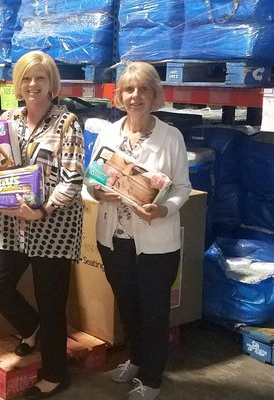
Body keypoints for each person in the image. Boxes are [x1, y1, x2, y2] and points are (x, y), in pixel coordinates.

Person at [0, 50, 84, 399]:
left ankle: (55, 374)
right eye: (27, 78)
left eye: (40, 79)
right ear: (18, 84)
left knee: (52, 303)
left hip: (53, 226)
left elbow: (73, 179)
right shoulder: (7, 120)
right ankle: (32, 328)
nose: (33, 85)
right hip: (11, 225)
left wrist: (43, 209)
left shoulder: (67, 123)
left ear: (52, 85)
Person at [88, 62, 191, 400]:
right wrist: (97, 191)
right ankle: (135, 358)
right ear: (119, 96)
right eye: (129, 89)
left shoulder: (170, 136)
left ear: (154, 95)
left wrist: (163, 209)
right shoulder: (109, 133)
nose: (135, 96)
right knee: (128, 305)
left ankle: (152, 378)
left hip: (156, 243)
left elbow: (182, 188)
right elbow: (92, 179)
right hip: (113, 238)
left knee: (154, 312)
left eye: (143, 89)